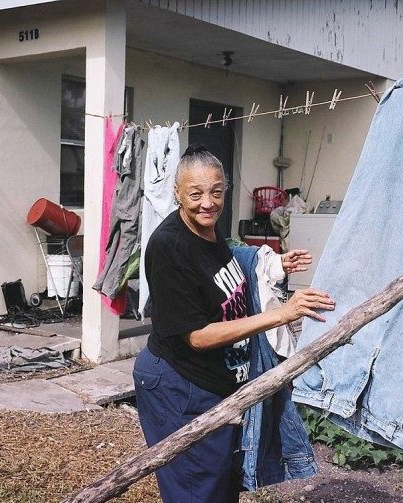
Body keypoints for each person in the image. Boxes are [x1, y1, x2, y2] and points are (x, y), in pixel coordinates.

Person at [133, 144, 335, 503]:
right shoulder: (168, 247)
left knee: (223, 488)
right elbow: (197, 336)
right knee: (197, 491)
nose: (207, 202)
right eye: (195, 194)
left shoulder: (208, 227)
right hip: (180, 387)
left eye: (216, 192)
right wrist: (281, 314)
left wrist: (272, 262)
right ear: (177, 193)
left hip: (216, 386)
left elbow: (221, 264)